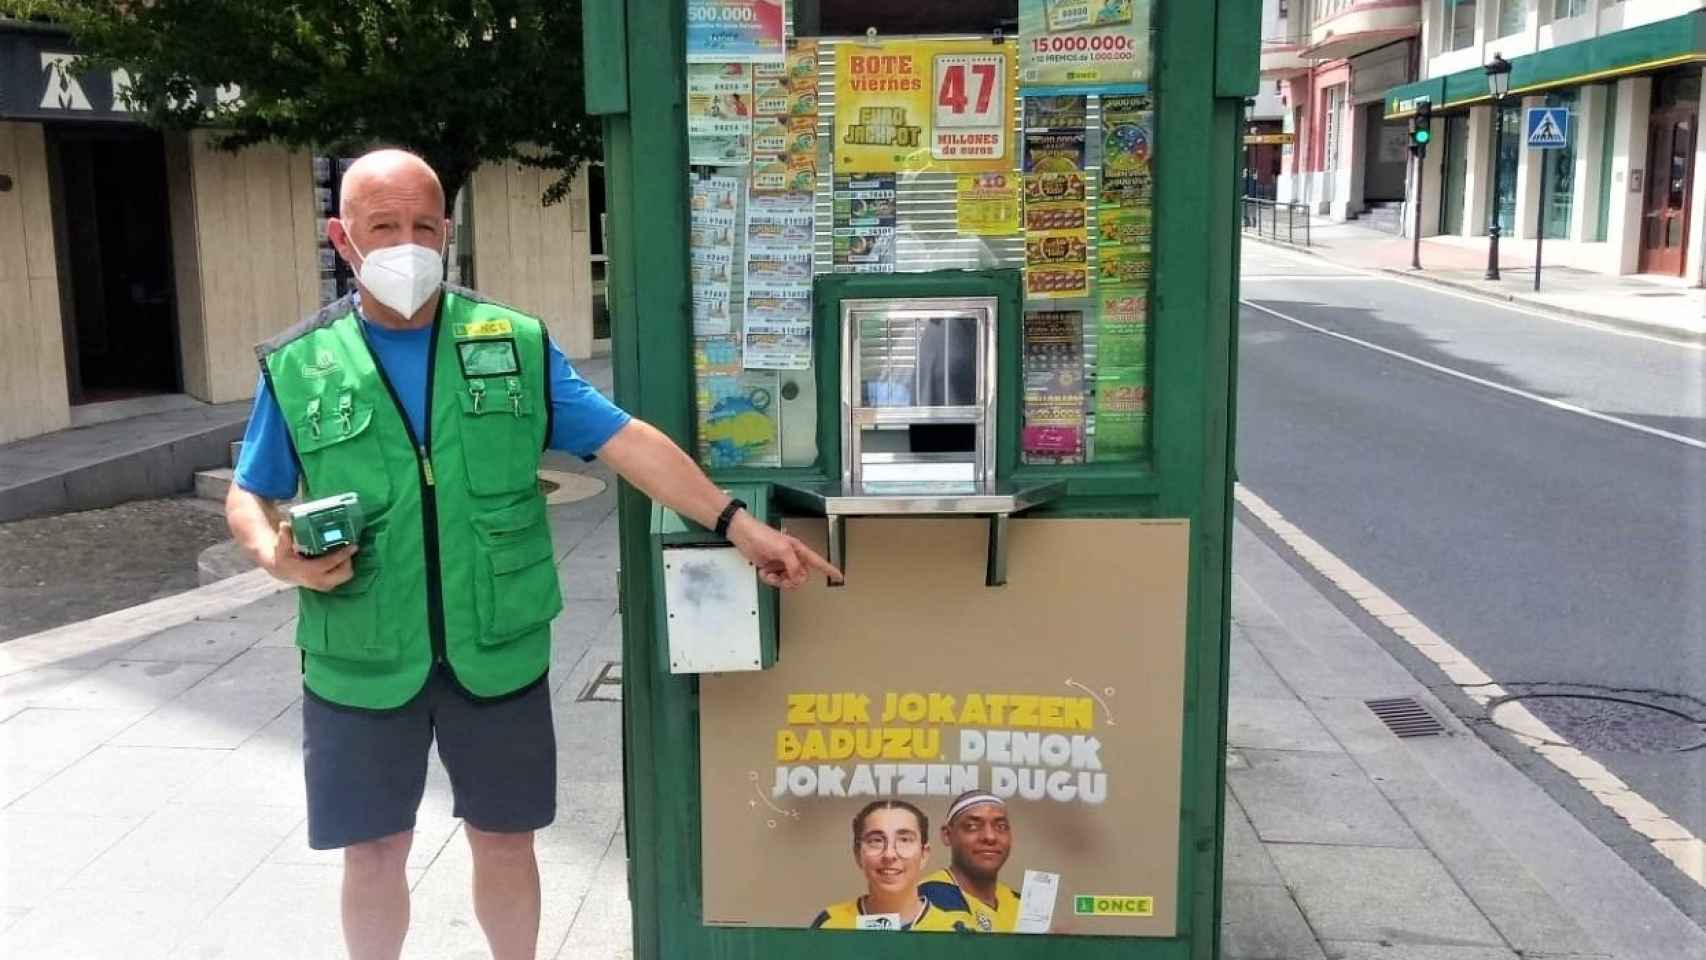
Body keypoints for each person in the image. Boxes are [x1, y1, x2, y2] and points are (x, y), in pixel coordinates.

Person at [225, 148, 840, 960]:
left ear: (446, 230)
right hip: (360, 650)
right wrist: (276, 555)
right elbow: (249, 489)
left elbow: (626, 442)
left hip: (498, 644)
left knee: (506, 841)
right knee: (372, 848)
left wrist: (738, 524)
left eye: (422, 225)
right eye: (384, 227)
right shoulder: (302, 364)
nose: (407, 243)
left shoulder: (509, 341)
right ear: (344, 239)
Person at [812, 800, 978, 933]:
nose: (889, 854)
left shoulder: (956, 930)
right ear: (857, 854)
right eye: (876, 840)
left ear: (924, 854)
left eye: (904, 840)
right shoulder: (830, 924)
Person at [920, 791, 1021, 933]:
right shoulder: (931, 895)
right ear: (947, 835)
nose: (990, 837)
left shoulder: (1019, 903)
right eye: (972, 826)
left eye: (1001, 827)